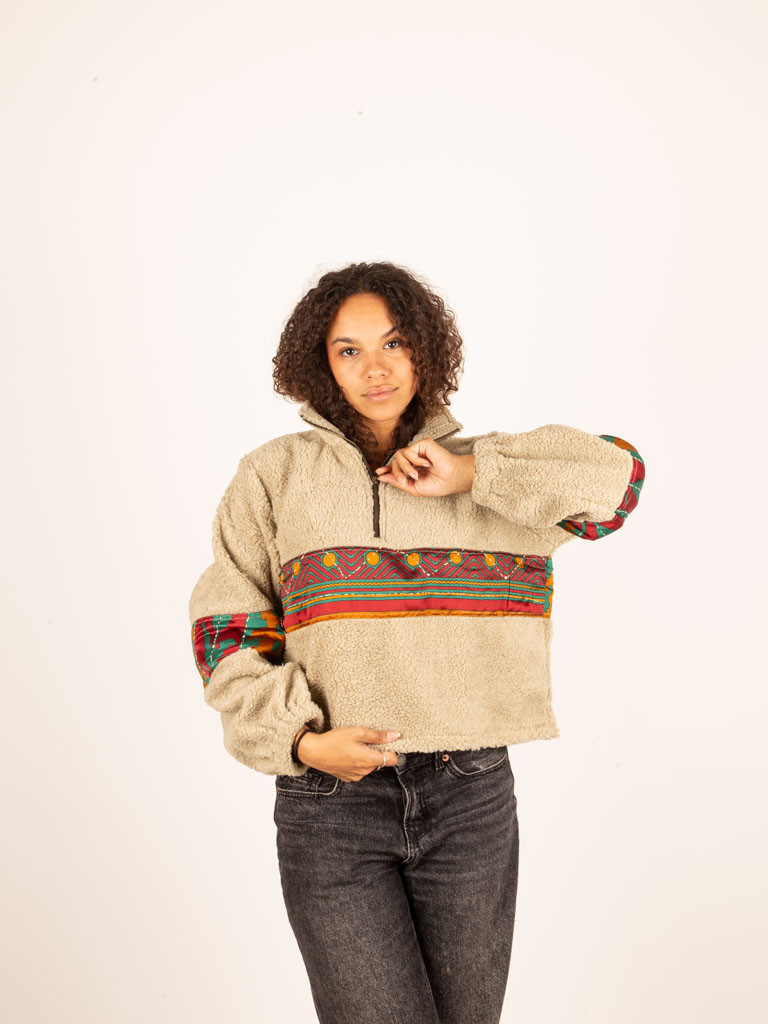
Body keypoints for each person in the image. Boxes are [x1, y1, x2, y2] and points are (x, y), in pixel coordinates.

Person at [188, 261, 645, 1024]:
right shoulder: (273, 476)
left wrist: (472, 472)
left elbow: (620, 482)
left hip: (471, 795)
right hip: (331, 802)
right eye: (349, 349)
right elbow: (227, 630)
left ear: (425, 349)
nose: (376, 368)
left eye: (394, 343)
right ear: (319, 362)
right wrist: (300, 741)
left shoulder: (491, 471)